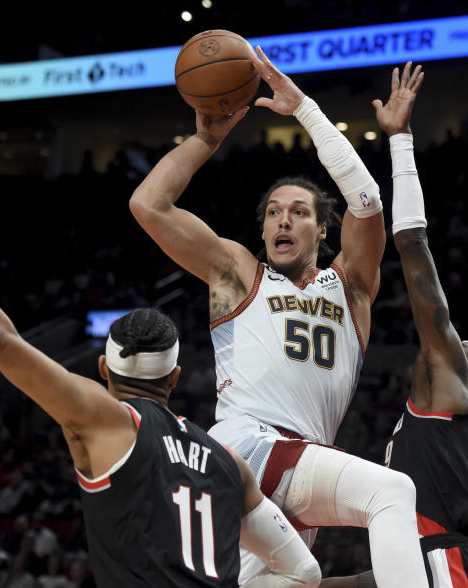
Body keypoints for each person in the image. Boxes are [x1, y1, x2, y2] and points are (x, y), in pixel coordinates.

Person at [0, 153, 320, 588]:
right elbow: (305, 573)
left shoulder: (104, 419)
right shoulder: (227, 461)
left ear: (104, 369)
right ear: (174, 377)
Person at [130, 48, 427, 587]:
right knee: (391, 491)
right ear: (264, 233)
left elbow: (367, 201)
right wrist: (207, 139)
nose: (283, 219)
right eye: (272, 213)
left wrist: (305, 110)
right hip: (247, 444)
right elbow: (149, 205)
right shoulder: (240, 274)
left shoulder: (352, 286)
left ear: (321, 232)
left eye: (299, 212)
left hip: (299, 467)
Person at [323, 62, 468, 588]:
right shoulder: (428, 437)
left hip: (449, 568)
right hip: (433, 566)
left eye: (458, 349)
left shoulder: (446, 396)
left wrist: (401, 142)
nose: (444, 344)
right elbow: (397, 568)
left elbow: (413, 244)